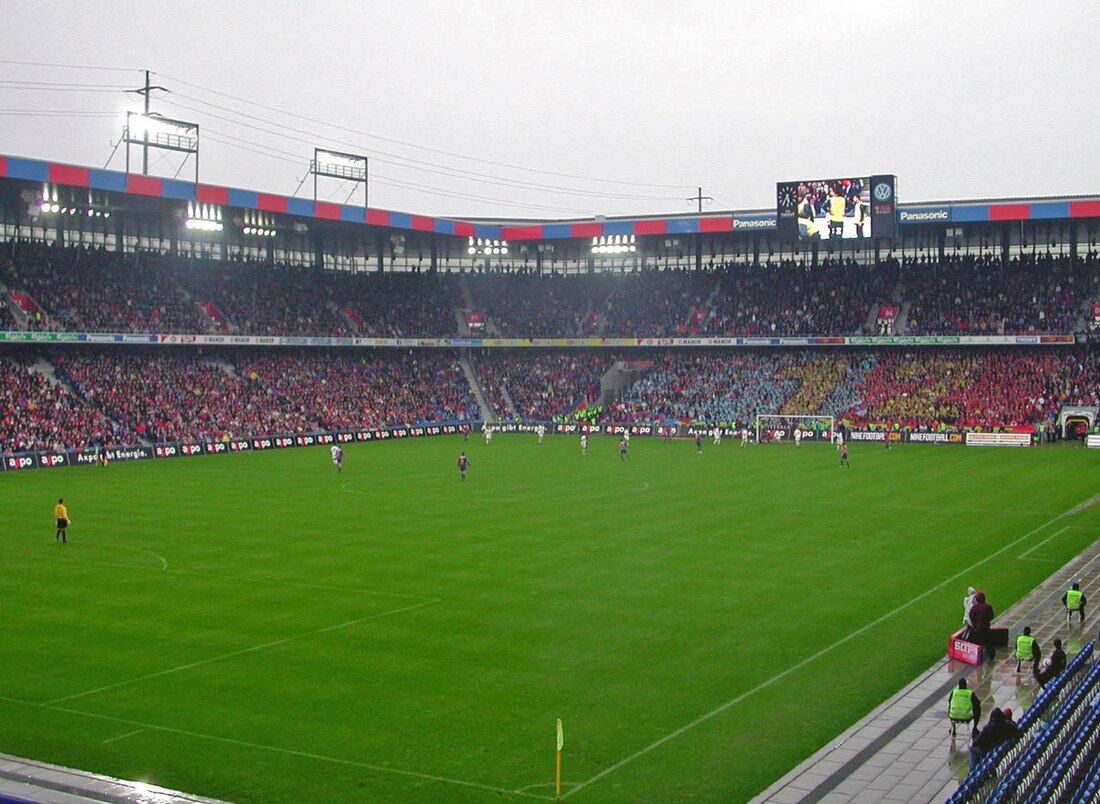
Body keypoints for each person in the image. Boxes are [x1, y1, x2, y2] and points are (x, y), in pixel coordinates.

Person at [969, 706, 1021, 770]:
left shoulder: (988, 728)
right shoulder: (1007, 726)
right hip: (996, 747)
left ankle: (973, 770)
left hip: (987, 748)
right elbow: (1017, 732)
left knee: (973, 749)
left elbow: (976, 742)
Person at [968, 592, 995, 661]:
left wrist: (975, 623)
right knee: (988, 642)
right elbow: (991, 616)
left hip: (978, 628)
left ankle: (978, 658)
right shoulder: (988, 606)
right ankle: (991, 655)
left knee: (977, 643)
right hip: (986, 627)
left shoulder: (975, 607)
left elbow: (971, 616)